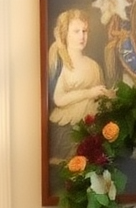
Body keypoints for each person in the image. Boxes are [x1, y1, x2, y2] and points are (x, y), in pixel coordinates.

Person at [47, 9, 112, 163]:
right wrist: (89, 93)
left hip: (92, 129)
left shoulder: (94, 65)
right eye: (76, 31)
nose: (82, 36)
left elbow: (100, 98)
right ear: (65, 33)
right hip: (69, 129)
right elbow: (59, 99)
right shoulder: (61, 63)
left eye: (85, 31)